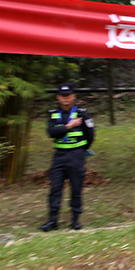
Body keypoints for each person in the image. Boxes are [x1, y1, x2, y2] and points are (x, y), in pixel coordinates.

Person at [40, 82, 95, 231]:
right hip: (59, 155)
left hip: (76, 155)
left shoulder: (82, 114)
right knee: (55, 188)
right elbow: (51, 132)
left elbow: (90, 134)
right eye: (62, 96)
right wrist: (69, 126)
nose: (65, 99)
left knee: (76, 188)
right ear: (58, 97)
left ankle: (75, 220)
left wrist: (82, 150)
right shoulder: (53, 114)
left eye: (68, 96)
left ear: (73, 96)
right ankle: (53, 220)